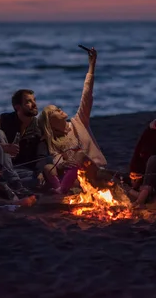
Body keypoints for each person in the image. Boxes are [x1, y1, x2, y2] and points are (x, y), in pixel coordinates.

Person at [37, 47, 107, 194]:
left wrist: (91, 66)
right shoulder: (54, 142)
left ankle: (61, 190)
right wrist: (62, 165)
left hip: (96, 172)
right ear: (50, 122)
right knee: (49, 168)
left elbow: (87, 95)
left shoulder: (79, 122)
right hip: (76, 179)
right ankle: (60, 190)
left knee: (80, 155)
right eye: (55, 111)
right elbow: (58, 161)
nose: (59, 109)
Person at [0, 89, 42, 190]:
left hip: (20, 170)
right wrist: (2, 147)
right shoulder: (3, 120)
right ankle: (12, 182)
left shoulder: (38, 127)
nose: (34, 104)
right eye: (28, 102)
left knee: (36, 179)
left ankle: (7, 183)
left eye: (34, 100)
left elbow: (41, 155)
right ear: (17, 107)